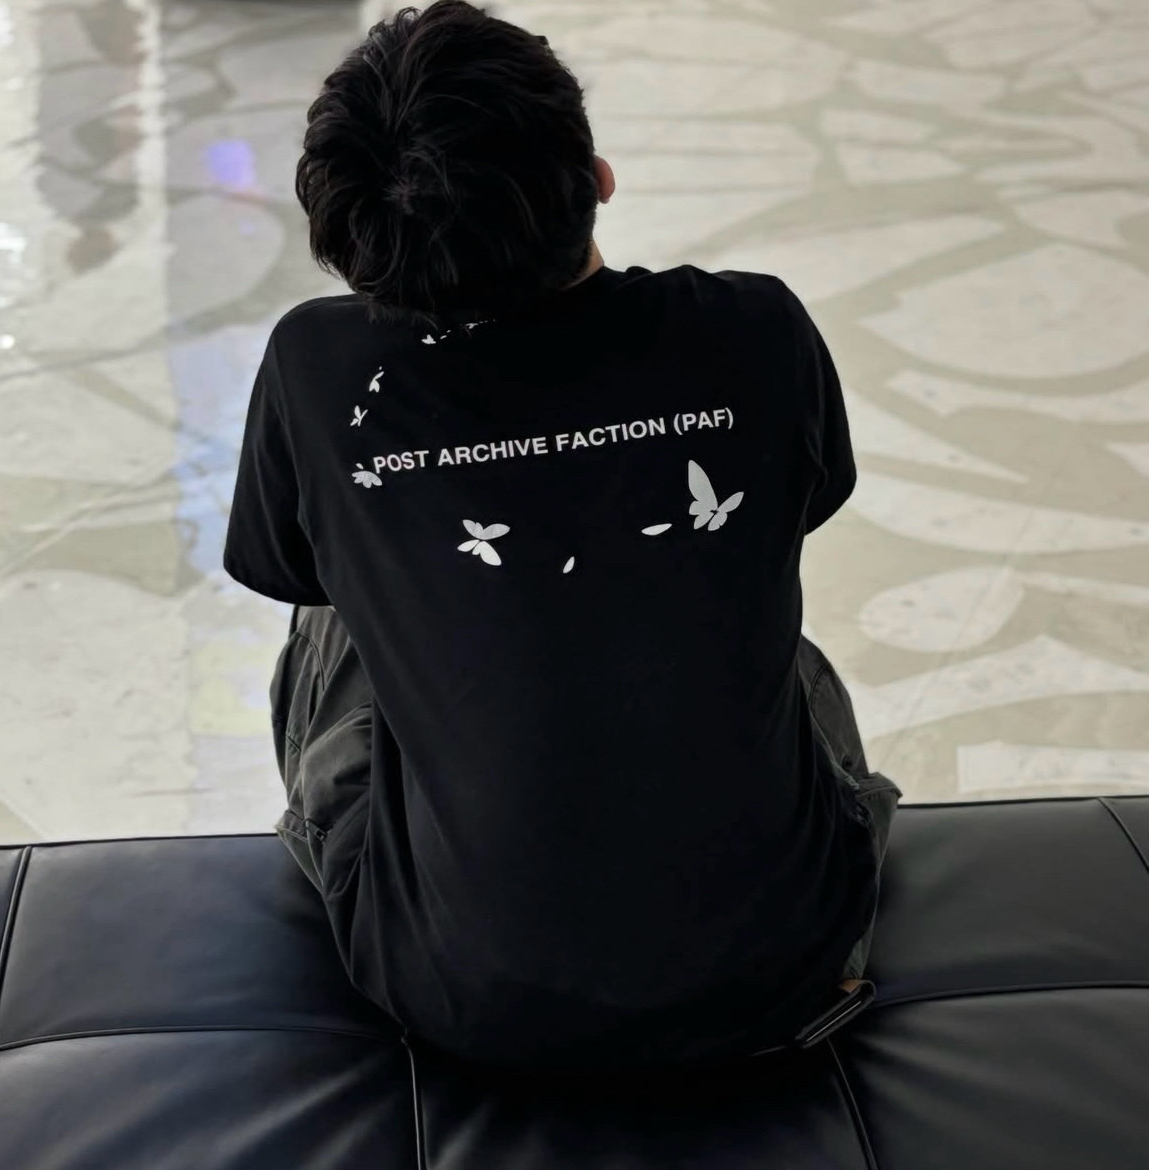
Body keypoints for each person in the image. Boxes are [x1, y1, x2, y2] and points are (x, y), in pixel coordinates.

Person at [223, 0, 902, 1074]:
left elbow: (288, 570)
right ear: (596, 179)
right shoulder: (754, 328)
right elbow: (804, 504)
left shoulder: (318, 366)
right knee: (761, 629)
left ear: (349, 240)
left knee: (337, 610)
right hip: (788, 961)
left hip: (459, 991)